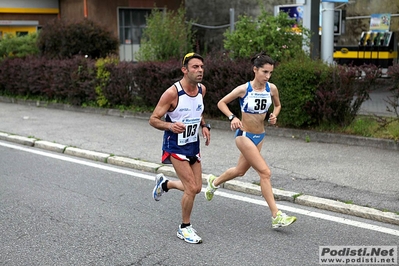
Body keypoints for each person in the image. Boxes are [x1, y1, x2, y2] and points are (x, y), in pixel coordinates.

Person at [204, 52, 297, 228]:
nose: (267, 76)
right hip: (244, 135)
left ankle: (213, 182)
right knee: (265, 172)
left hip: (260, 136)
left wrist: (274, 116)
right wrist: (232, 117)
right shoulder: (244, 89)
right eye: (264, 72)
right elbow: (221, 103)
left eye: (270, 73)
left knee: (240, 171)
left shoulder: (272, 89)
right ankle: (276, 215)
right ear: (255, 69)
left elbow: (277, 105)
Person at [149, 52, 211, 244]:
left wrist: (204, 126)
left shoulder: (202, 89)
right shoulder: (172, 93)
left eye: (201, 66)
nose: (200, 70)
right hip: (175, 145)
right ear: (184, 70)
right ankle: (184, 228)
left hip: (193, 143)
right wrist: (170, 125)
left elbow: (198, 111)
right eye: (195, 67)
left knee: (197, 188)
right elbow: (153, 119)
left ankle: (165, 185)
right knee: (191, 188)